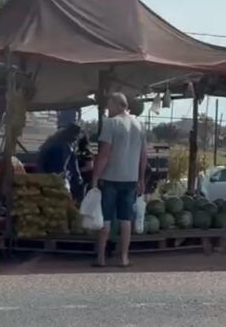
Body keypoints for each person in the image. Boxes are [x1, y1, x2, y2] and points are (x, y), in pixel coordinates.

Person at [92, 93, 147, 268]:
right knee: (125, 220)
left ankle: (101, 258)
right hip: (130, 179)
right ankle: (124, 257)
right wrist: (141, 177)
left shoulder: (111, 123)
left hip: (110, 178)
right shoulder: (139, 124)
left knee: (106, 219)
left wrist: (95, 177)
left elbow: (104, 154)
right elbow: (143, 156)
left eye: (109, 105)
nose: (108, 109)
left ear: (116, 104)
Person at [37, 124, 83, 199]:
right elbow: (67, 166)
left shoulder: (51, 142)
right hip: (58, 180)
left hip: (44, 178)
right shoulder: (67, 146)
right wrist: (78, 181)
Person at [76, 134, 94, 203]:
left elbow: (89, 166)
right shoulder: (79, 150)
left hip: (85, 178)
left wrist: (78, 170)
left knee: (81, 197)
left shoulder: (86, 151)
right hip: (80, 177)